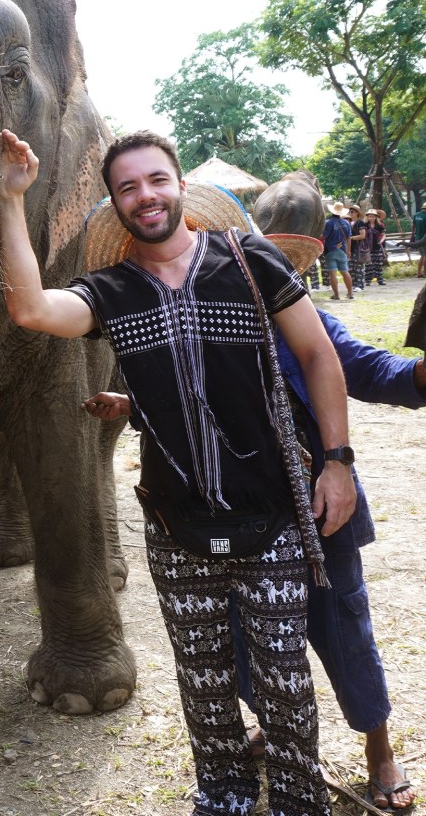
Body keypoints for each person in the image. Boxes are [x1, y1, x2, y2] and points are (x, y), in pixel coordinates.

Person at [0, 128, 354, 816]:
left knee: (283, 676)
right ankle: (222, 794)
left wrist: (337, 463)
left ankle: (298, 800)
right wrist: (13, 199)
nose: (145, 195)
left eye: (155, 179)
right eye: (127, 187)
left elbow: (319, 356)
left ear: (180, 184)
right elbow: (31, 308)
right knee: (202, 676)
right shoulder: (112, 290)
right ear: (115, 204)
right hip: (174, 522)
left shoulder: (249, 261)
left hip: (273, 513)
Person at [87, 232, 425, 814]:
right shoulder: (181, 319)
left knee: (344, 632)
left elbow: (371, 370)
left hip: (315, 511)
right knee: (244, 644)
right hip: (228, 524)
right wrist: (131, 407)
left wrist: (419, 378)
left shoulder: (298, 322)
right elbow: (190, 412)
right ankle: (279, 730)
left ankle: (379, 750)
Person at [322, 201, 354, 300]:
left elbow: (324, 236)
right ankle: (350, 293)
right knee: (345, 272)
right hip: (343, 250)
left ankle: (336, 295)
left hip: (330, 250)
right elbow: (349, 238)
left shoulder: (328, 223)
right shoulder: (346, 223)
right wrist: (348, 250)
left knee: (333, 273)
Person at [348, 204, 368, 292]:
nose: (350, 213)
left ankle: (360, 285)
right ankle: (353, 284)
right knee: (351, 267)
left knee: (359, 267)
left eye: (352, 212)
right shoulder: (349, 223)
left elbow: (363, 235)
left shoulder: (360, 223)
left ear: (357, 213)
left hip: (358, 247)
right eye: (350, 212)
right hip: (350, 248)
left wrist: (351, 238)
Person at [365, 209, 388, 286]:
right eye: (370, 216)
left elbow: (383, 234)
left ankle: (380, 280)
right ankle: (367, 280)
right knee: (368, 264)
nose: (371, 218)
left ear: (375, 217)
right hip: (367, 247)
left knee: (378, 264)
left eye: (373, 216)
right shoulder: (364, 225)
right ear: (367, 217)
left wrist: (381, 240)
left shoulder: (380, 225)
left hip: (377, 246)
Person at [413, 201, 426, 279]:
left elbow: (413, 226)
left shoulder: (416, 215)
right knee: (425, 255)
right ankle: (425, 273)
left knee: (422, 255)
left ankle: (419, 273)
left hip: (417, 237)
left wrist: (413, 235)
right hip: (424, 238)